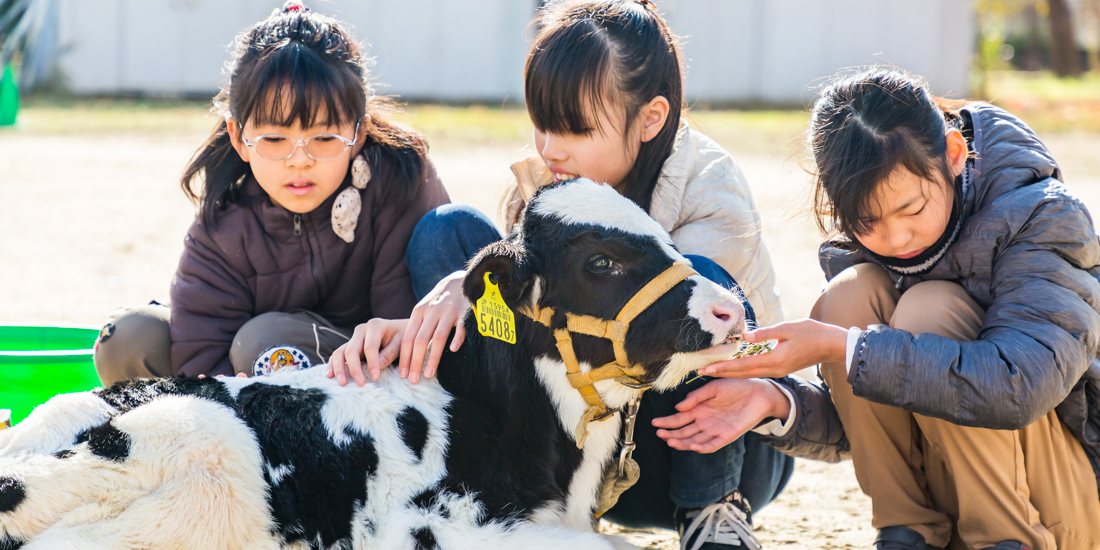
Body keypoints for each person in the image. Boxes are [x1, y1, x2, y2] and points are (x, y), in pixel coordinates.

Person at [329, 2, 792, 548]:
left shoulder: (710, 189)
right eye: (543, 123)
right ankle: (494, 488)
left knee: (695, 292)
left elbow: (669, 328)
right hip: (574, 452)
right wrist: (472, 289)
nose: (550, 148)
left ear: (651, 118)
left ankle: (712, 512)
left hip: (684, 453)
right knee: (448, 235)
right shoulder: (555, 180)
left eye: (574, 128)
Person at [656, 69, 1100, 550]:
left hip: (1056, 509)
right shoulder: (862, 256)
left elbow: (1020, 386)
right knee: (851, 294)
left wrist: (841, 347)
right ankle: (906, 535)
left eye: (912, 209)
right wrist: (775, 402)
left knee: (930, 311)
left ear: (953, 155)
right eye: (867, 220)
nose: (895, 238)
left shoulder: (1042, 217)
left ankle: (1005, 540)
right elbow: (876, 416)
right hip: (950, 500)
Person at [92, 1, 451, 382]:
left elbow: (406, 329)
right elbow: (199, 355)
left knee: (266, 344)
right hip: (252, 394)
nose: (300, 161)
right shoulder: (224, 223)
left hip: (368, 385)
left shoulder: (398, 181)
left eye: (325, 137)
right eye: (275, 139)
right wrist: (231, 404)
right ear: (239, 137)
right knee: (130, 337)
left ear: (357, 133)